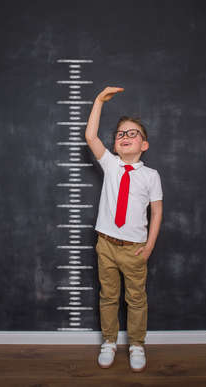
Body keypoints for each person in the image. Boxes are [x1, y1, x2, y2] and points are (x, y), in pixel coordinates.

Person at [85, 86, 163, 372]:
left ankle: (137, 344)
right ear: (115, 144)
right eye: (121, 133)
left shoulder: (151, 176)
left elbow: (156, 211)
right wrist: (98, 102)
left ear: (144, 145)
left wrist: (150, 245)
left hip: (134, 248)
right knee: (107, 296)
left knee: (136, 299)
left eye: (133, 133)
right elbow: (90, 136)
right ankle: (108, 341)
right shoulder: (111, 165)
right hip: (105, 244)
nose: (126, 136)